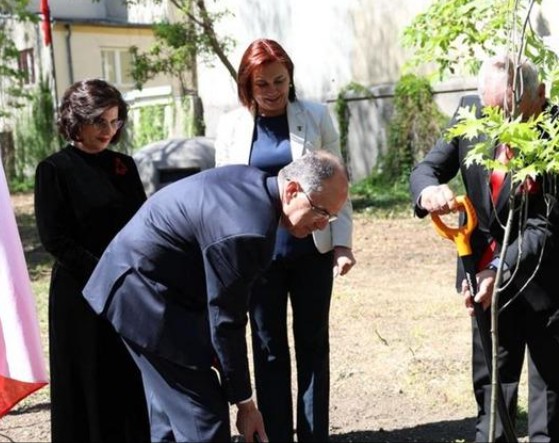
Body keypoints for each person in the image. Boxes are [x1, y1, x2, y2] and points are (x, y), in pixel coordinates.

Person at [81, 150, 349, 443]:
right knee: (203, 418)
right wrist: (245, 403)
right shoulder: (248, 232)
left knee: (169, 416)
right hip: (145, 298)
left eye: (332, 217)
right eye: (321, 212)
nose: (323, 225)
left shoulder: (253, 183)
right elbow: (227, 321)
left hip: (140, 285)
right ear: (292, 190)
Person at [409, 55, 559, 442]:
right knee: (493, 380)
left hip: (552, 274)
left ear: (539, 95)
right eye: (491, 112)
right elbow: (427, 168)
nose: (500, 125)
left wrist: (499, 268)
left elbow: (546, 225)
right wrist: (429, 190)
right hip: (483, 272)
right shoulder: (470, 111)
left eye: (510, 112)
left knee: (551, 387)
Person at [215, 38, 355, 442]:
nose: (273, 91)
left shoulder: (315, 117)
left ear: (291, 78)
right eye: (262, 84)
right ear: (247, 86)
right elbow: (226, 193)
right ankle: (275, 434)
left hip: (312, 248)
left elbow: (338, 183)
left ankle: (313, 435)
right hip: (259, 256)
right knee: (267, 347)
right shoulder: (230, 126)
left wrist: (343, 243)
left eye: (280, 80)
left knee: (313, 345)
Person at [33, 78, 149, 442]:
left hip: (126, 288)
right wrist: (104, 272)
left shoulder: (124, 167)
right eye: (99, 121)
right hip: (78, 292)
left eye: (115, 122)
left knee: (125, 378)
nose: (108, 130)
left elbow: (143, 225)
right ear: (76, 119)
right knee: (86, 380)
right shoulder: (54, 169)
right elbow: (55, 239)